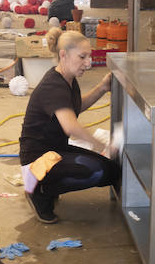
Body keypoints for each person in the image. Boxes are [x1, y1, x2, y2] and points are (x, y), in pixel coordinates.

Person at [18, 28, 119, 223]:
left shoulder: (68, 79)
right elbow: (71, 127)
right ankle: (39, 190)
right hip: (37, 159)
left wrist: (102, 88)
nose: (88, 63)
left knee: (111, 171)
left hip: (55, 151)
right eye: (82, 57)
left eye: (89, 57)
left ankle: (46, 182)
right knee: (96, 171)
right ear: (63, 55)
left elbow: (75, 107)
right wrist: (103, 146)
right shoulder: (53, 85)